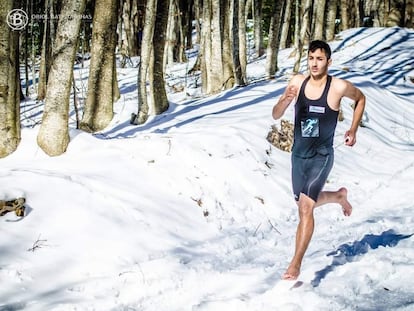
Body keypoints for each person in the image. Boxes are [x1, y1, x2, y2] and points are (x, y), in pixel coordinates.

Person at [272, 40, 366, 280]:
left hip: (322, 156)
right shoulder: (296, 82)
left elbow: (361, 99)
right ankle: (338, 196)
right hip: (298, 155)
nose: (315, 63)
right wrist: (285, 100)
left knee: (306, 207)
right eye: (311, 58)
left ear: (329, 62)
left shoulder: (338, 87)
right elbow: (276, 114)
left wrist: (353, 129)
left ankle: (295, 263)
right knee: (304, 203)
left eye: (320, 59)